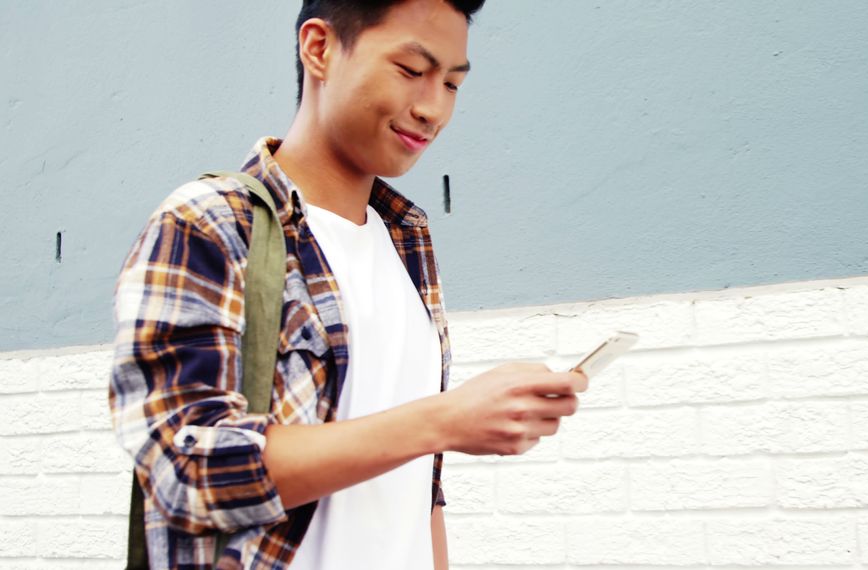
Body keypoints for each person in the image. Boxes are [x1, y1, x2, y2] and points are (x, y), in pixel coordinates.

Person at [108, 1, 588, 568]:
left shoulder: (405, 242)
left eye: (453, 84)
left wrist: (440, 429)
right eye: (411, 70)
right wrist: (444, 418)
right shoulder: (209, 222)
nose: (433, 108)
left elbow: (418, 487)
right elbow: (184, 468)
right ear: (320, 48)